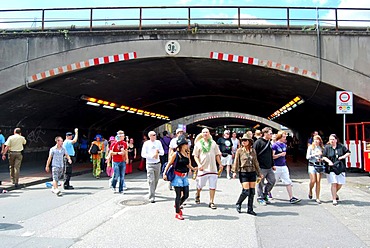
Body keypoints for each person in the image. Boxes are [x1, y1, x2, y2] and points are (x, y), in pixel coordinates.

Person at [163, 135, 198, 220]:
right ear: (182, 145)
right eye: (186, 144)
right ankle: (178, 212)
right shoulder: (176, 154)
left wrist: (193, 168)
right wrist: (164, 173)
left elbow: (187, 164)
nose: (187, 145)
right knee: (178, 195)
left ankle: (177, 205)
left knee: (186, 195)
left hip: (184, 176)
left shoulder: (186, 153)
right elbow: (169, 163)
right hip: (177, 176)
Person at [232, 134, 263, 215]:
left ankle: (250, 209)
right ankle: (238, 203)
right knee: (246, 191)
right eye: (242, 140)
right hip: (243, 172)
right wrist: (234, 171)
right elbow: (236, 161)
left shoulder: (253, 151)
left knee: (252, 192)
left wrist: (259, 173)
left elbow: (256, 162)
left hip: (252, 172)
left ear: (249, 142)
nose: (243, 142)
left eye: (245, 140)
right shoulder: (239, 151)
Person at [193, 128, 223, 209]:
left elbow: (217, 155)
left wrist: (220, 164)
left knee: (213, 185)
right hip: (203, 168)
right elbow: (195, 156)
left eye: (206, 132)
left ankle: (211, 201)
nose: (205, 134)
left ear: (209, 133)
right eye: (204, 132)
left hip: (213, 168)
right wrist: (199, 164)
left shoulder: (213, 143)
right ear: (201, 134)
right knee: (200, 185)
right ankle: (198, 194)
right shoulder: (198, 144)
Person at [272, 131, 301, 204]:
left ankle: (291, 197)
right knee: (273, 182)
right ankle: (267, 193)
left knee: (288, 181)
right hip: (276, 166)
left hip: (284, 165)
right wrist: (280, 155)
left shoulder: (284, 145)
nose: (285, 138)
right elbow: (272, 156)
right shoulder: (275, 145)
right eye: (284, 136)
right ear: (280, 137)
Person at [322, 134, 351, 206]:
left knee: (340, 183)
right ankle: (334, 199)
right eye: (330, 139)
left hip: (340, 167)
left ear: (336, 140)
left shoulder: (341, 146)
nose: (331, 141)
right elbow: (323, 157)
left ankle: (334, 193)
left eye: (333, 139)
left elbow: (348, 152)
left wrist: (343, 156)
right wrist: (328, 161)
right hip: (331, 168)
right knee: (334, 183)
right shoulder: (327, 148)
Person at [253, 127, 276, 205]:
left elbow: (270, 154)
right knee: (260, 183)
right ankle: (260, 197)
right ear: (265, 133)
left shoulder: (269, 142)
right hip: (261, 167)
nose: (271, 135)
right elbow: (254, 155)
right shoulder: (258, 142)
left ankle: (265, 194)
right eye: (270, 133)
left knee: (272, 181)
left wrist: (272, 164)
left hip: (269, 167)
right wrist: (256, 167)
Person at [141, 131, 164, 203]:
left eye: (155, 135)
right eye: (153, 135)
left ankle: (152, 191)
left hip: (157, 163)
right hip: (150, 164)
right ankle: (152, 196)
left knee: (156, 180)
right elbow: (143, 154)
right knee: (151, 180)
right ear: (150, 136)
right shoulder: (146, 143)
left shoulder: (158, 142)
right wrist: (151, 156)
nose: (155, 136)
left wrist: (158, 152)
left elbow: (163, 152)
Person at [306, 135, 325, 203]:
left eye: (317, 140)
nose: (316, 141)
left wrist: (321, 158)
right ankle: (310, 190)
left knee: (318, 181)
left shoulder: (322, 148)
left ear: (320, 141)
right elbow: (307, 157)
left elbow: (324, 156)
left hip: (319, 165)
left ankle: (317, 197)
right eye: (315, 140)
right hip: (312, 165)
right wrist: (315, 154)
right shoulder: (311, 147)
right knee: (313, 180)